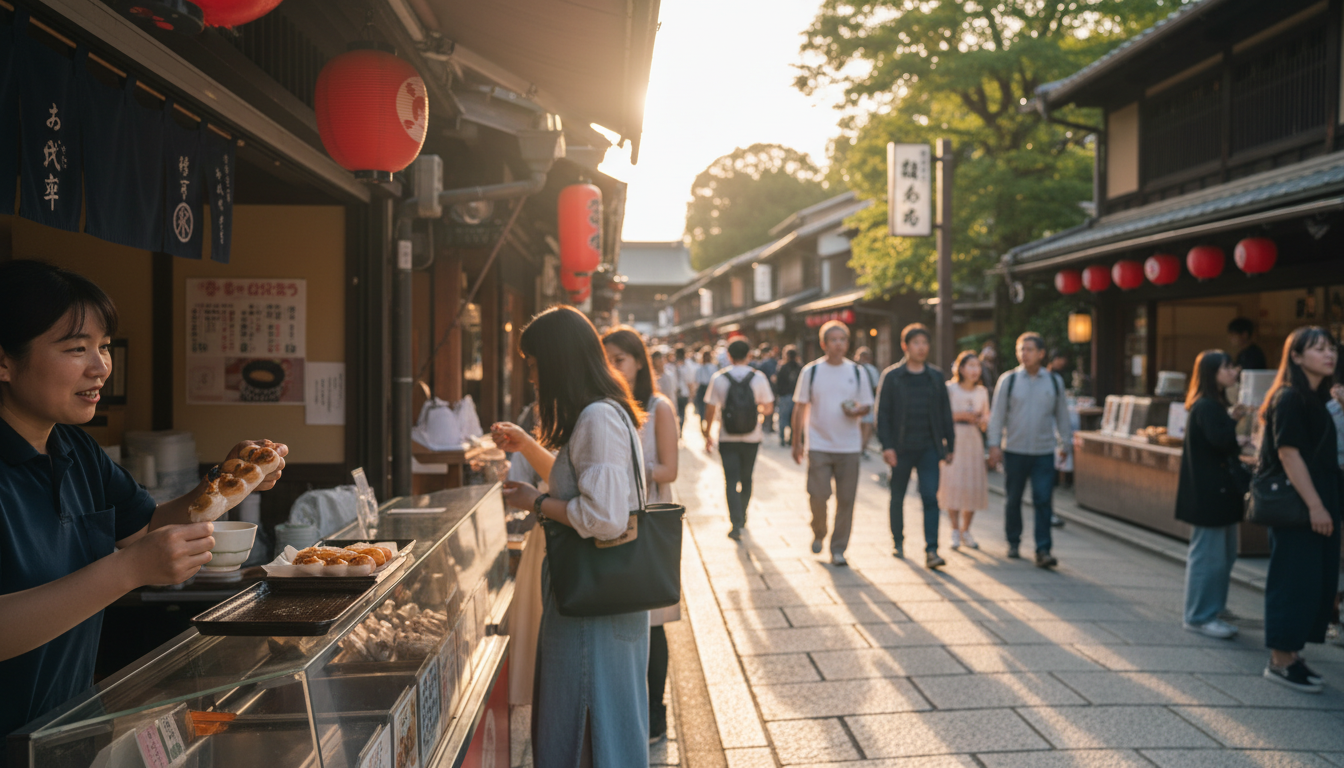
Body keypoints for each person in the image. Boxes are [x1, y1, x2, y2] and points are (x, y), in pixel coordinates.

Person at [0, 260, 289, 751]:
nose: (101, 366)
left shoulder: (76, 450)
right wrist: (128, 570)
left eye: (104, 346)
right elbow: (135, 555)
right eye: (77, 349)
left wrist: (228, 482)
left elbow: (149, 524)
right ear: (4, 361)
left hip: (66, 732)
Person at [493, 306, 651, 765]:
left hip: (590, 605)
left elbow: (604, 517)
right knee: (606, 716)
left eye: (537, 365)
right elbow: (587, 488)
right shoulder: (607, 412)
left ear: (558, 362)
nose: (535, 378)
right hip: (605, 596)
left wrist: (536, 503)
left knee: (587, 718)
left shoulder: (597, 420)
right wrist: (527, 449)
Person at [602, 327, 680, 744]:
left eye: (621, 360)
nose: (614, 368)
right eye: (607, 360)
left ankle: (656, 714)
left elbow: (670, 469)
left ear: (638, 363)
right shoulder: (604, 407)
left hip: (647, 525)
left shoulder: (657, 406)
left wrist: (627, 472)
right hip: (612, 525)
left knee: (653, 621)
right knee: (622, 621)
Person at [1256, 326, 1340, 693]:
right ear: (1296, 356)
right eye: (1318, 348)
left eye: (1331, 348)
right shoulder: (1289, 398)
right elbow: (1289, 455)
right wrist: (1316, 506)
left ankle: (1291, 653)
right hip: (1302, 508)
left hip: (1317, 507)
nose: (1329, 354)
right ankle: (1280, 660)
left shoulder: (1316, 398)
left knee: (1310, 583)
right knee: (1292, 581)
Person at [1176, 350, 1251, 640]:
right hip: (1210, 494)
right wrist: (1236, 423)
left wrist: (1233, 419)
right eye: (1228, 367)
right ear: (1213, 373)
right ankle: (1199, 615)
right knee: (1209, 557)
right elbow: (1221, 441)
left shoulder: (1212, 404)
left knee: (1222, 555)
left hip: (1217, 493)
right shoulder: (1206, 406)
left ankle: (1212, 608)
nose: (1234, 372)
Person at [986, 332, 1073, 568]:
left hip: (1044, 451)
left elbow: (1062, 415)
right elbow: (997, 416)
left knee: (1043, 499)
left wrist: (1066, 443)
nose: (1025, 354)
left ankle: (1043, 549)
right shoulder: (1009, 380)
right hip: (1013, 450)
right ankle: (1013, 541)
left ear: (1041, 354)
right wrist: (994, 445)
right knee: (1013, 499)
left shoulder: (1053, 381)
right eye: (1021, 349)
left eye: (1030, 349)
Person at [792, 321, 874, 566]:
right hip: (818, 443)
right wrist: (797, 441)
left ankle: (838, 548)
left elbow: (867, 405)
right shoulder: (811, 371)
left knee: (846, 499)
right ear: (823, 343)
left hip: (849, 445)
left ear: (848, 344)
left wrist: (857, 413)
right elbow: (800, 406)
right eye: (833, 339)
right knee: (817, 495)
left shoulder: (857, 372)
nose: (838, 344)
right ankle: (819, 530)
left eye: (842, 339)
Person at [875, 324, 955, 568]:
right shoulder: (892, 376)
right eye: (916, 343)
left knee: (930, 496)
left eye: (924, 343)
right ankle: (897, 540)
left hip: (929, 446)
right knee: (897, 494)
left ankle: (932, 550)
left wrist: (950, 444)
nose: (921, 347)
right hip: (900, 447)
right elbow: (883, 414)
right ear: (905, 346)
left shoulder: (935, 377)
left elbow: (945, 412)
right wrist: (886, 446)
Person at [703, 338, 774, 540]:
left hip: (727, 437)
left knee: (730, 480)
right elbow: (768, 407)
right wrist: (756, 410)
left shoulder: (719, 378)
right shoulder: (758, 378)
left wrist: (707, 433)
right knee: (747, 478)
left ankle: (735, 523)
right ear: (749, 355)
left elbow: (710, 408)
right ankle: (743, 516)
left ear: (729, 356)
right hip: (752, 437)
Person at [939, 350, 991, 551]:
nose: (974, 370)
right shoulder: (950, 389)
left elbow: (986, 418)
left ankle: (966, 529)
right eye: (970, 366)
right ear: (961, 368)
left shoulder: (982, 392)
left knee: (972, 484)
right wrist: (962, 416)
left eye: (977, 366)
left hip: (974, 439)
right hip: (954, 438)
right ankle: (954, 528)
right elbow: (942, 415)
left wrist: (981, 420)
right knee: (953, 482)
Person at [855, 346, 881, 460]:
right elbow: (877, 386)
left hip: (856, 401)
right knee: (867, 427)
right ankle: (862, 448)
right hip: (869, 401)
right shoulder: (872, 370)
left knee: (860, 425)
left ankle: (859, 447)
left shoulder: (853, 369)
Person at [775, 346, 802, 447]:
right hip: (797, 397)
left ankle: (782, 439)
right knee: (794, 420)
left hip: (784, 396)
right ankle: (791, 439)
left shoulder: (782, 367)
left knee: (783, 418)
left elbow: (778, 383)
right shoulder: (800, 368)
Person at [752, 344, 779, 434]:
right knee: (770, 407)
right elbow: (774, 377)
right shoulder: (772, 362)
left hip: (760, 388)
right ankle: (769, 426)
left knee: (760, 407)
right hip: (771, 388)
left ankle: (763, 425)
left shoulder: (759, 363)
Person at [674, 346, 694, 436]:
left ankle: (677, 429)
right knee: (682, 412)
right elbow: (690, 381)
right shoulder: (687, 365)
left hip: (674, 393)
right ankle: (680, 430)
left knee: (676, 412)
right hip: (684, 392)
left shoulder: (671, 365)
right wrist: (691, 393)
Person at [693, 348, 717, 423]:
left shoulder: (702, 367)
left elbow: (697, 380)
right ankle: (705, 421)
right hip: (706, 387)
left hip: (705, 387)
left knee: (705, 406)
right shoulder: (711, 367)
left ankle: (704, 421)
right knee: (705, 406)